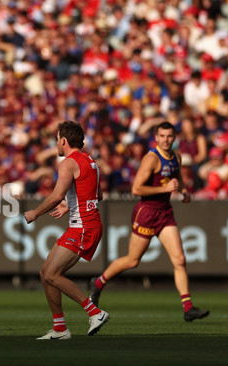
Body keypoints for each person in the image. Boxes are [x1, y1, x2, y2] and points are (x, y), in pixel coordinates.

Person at [89, 121, 210, 322]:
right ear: (156, 137)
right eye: (162, 136)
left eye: (169, 136)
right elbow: (136, 189)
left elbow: (176, 176)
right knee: (132, 260)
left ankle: (188, 308)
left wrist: (183, 191)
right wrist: (165, 189)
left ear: (174, 137)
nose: (166, 140)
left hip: (165, 212)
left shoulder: (176, 156)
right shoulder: (151, 159)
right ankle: (99, 282)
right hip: (147, 213)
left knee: (179, 259)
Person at [24, 121, 109, 340]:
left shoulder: (68, 163)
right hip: (86, 224)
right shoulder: (91, 162)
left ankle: (94, 312)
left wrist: (35, 213)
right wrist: (69, 206)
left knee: (51, 274)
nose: (56, 143)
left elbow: (55, 195)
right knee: (46, 274)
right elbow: (96, 196)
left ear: (63, 140)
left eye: (57, 139)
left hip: (83, 226)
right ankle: (60, 328)